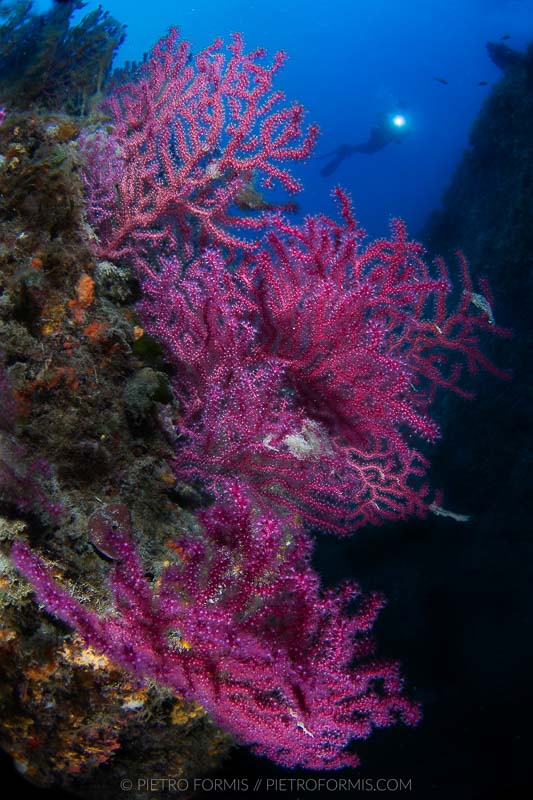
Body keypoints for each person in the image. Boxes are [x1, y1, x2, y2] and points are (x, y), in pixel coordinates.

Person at [319, 109, 409, 177]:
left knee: (355, 149)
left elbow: (399, 140)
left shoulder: (394, 129)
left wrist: (397, 133)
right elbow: (374, 131)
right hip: (372, 145)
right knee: (356, 149)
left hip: (373, 146)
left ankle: (344, 151)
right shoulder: (385, 123)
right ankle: (343, 152)